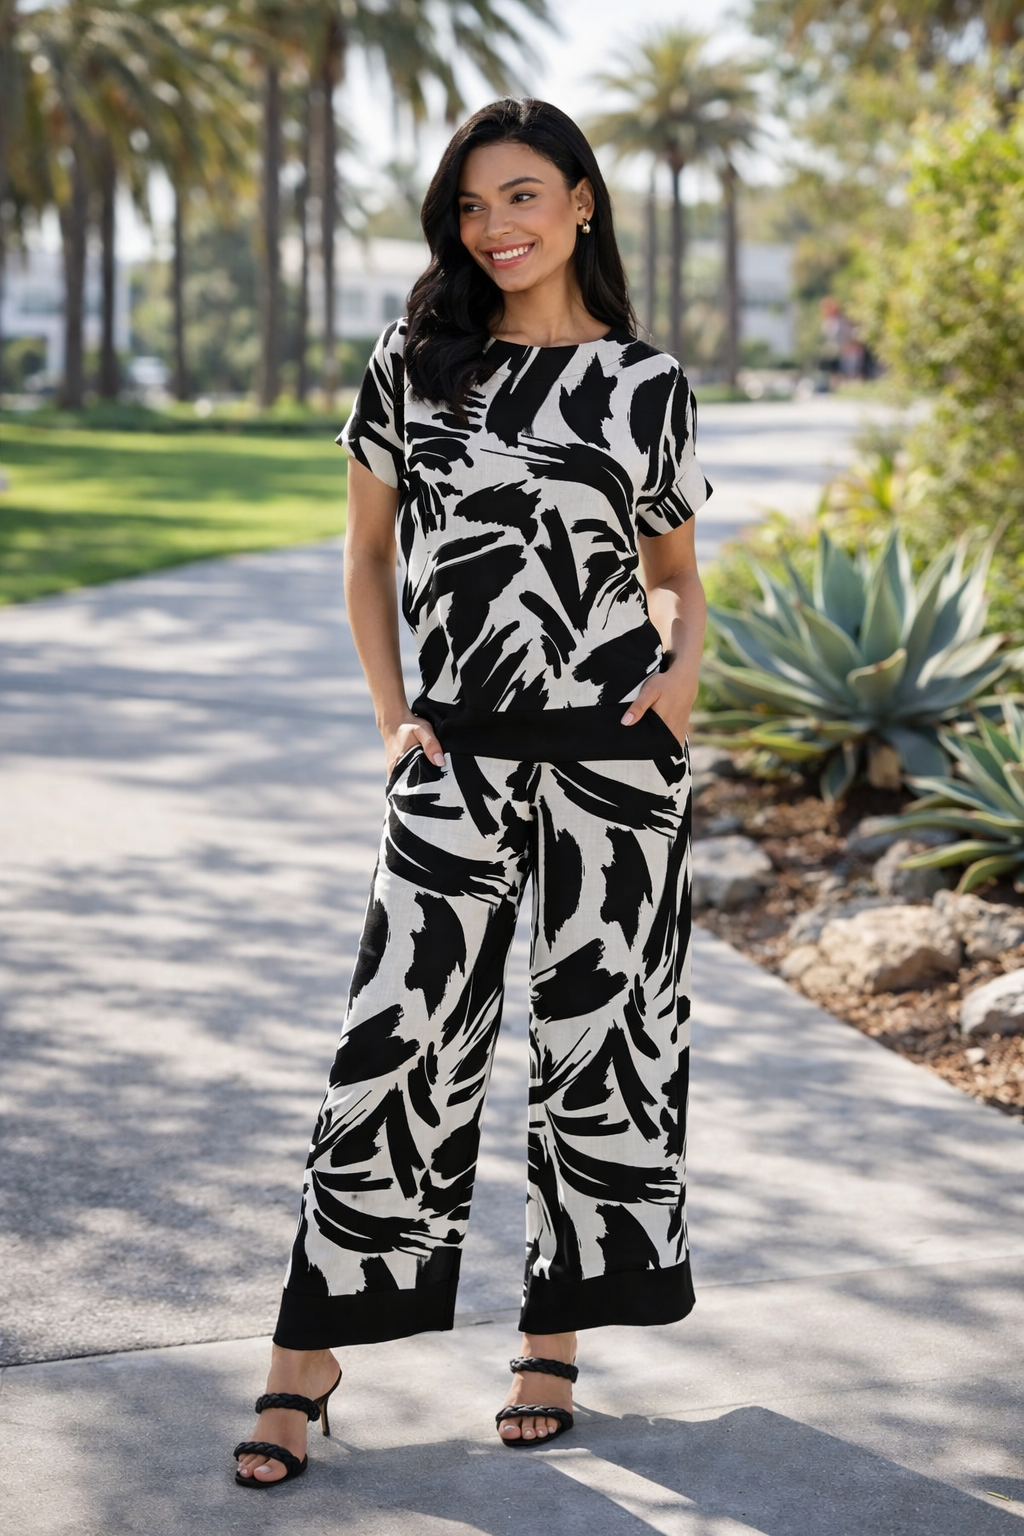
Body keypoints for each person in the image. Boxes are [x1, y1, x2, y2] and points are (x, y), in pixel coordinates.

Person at [234, 95, 710, 1488]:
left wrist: (683, 669)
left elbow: (676, 576)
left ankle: (551, 1341)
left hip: (616, 764)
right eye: (470, 205)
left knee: (604, 1046)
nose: (495, 227)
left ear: (580, 202)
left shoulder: (647, 382)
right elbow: (364, 558)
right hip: (457, 751)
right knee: (396, 1046)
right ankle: (306, 1357)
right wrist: (394, 719)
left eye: (521, 197)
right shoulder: (415, 363)